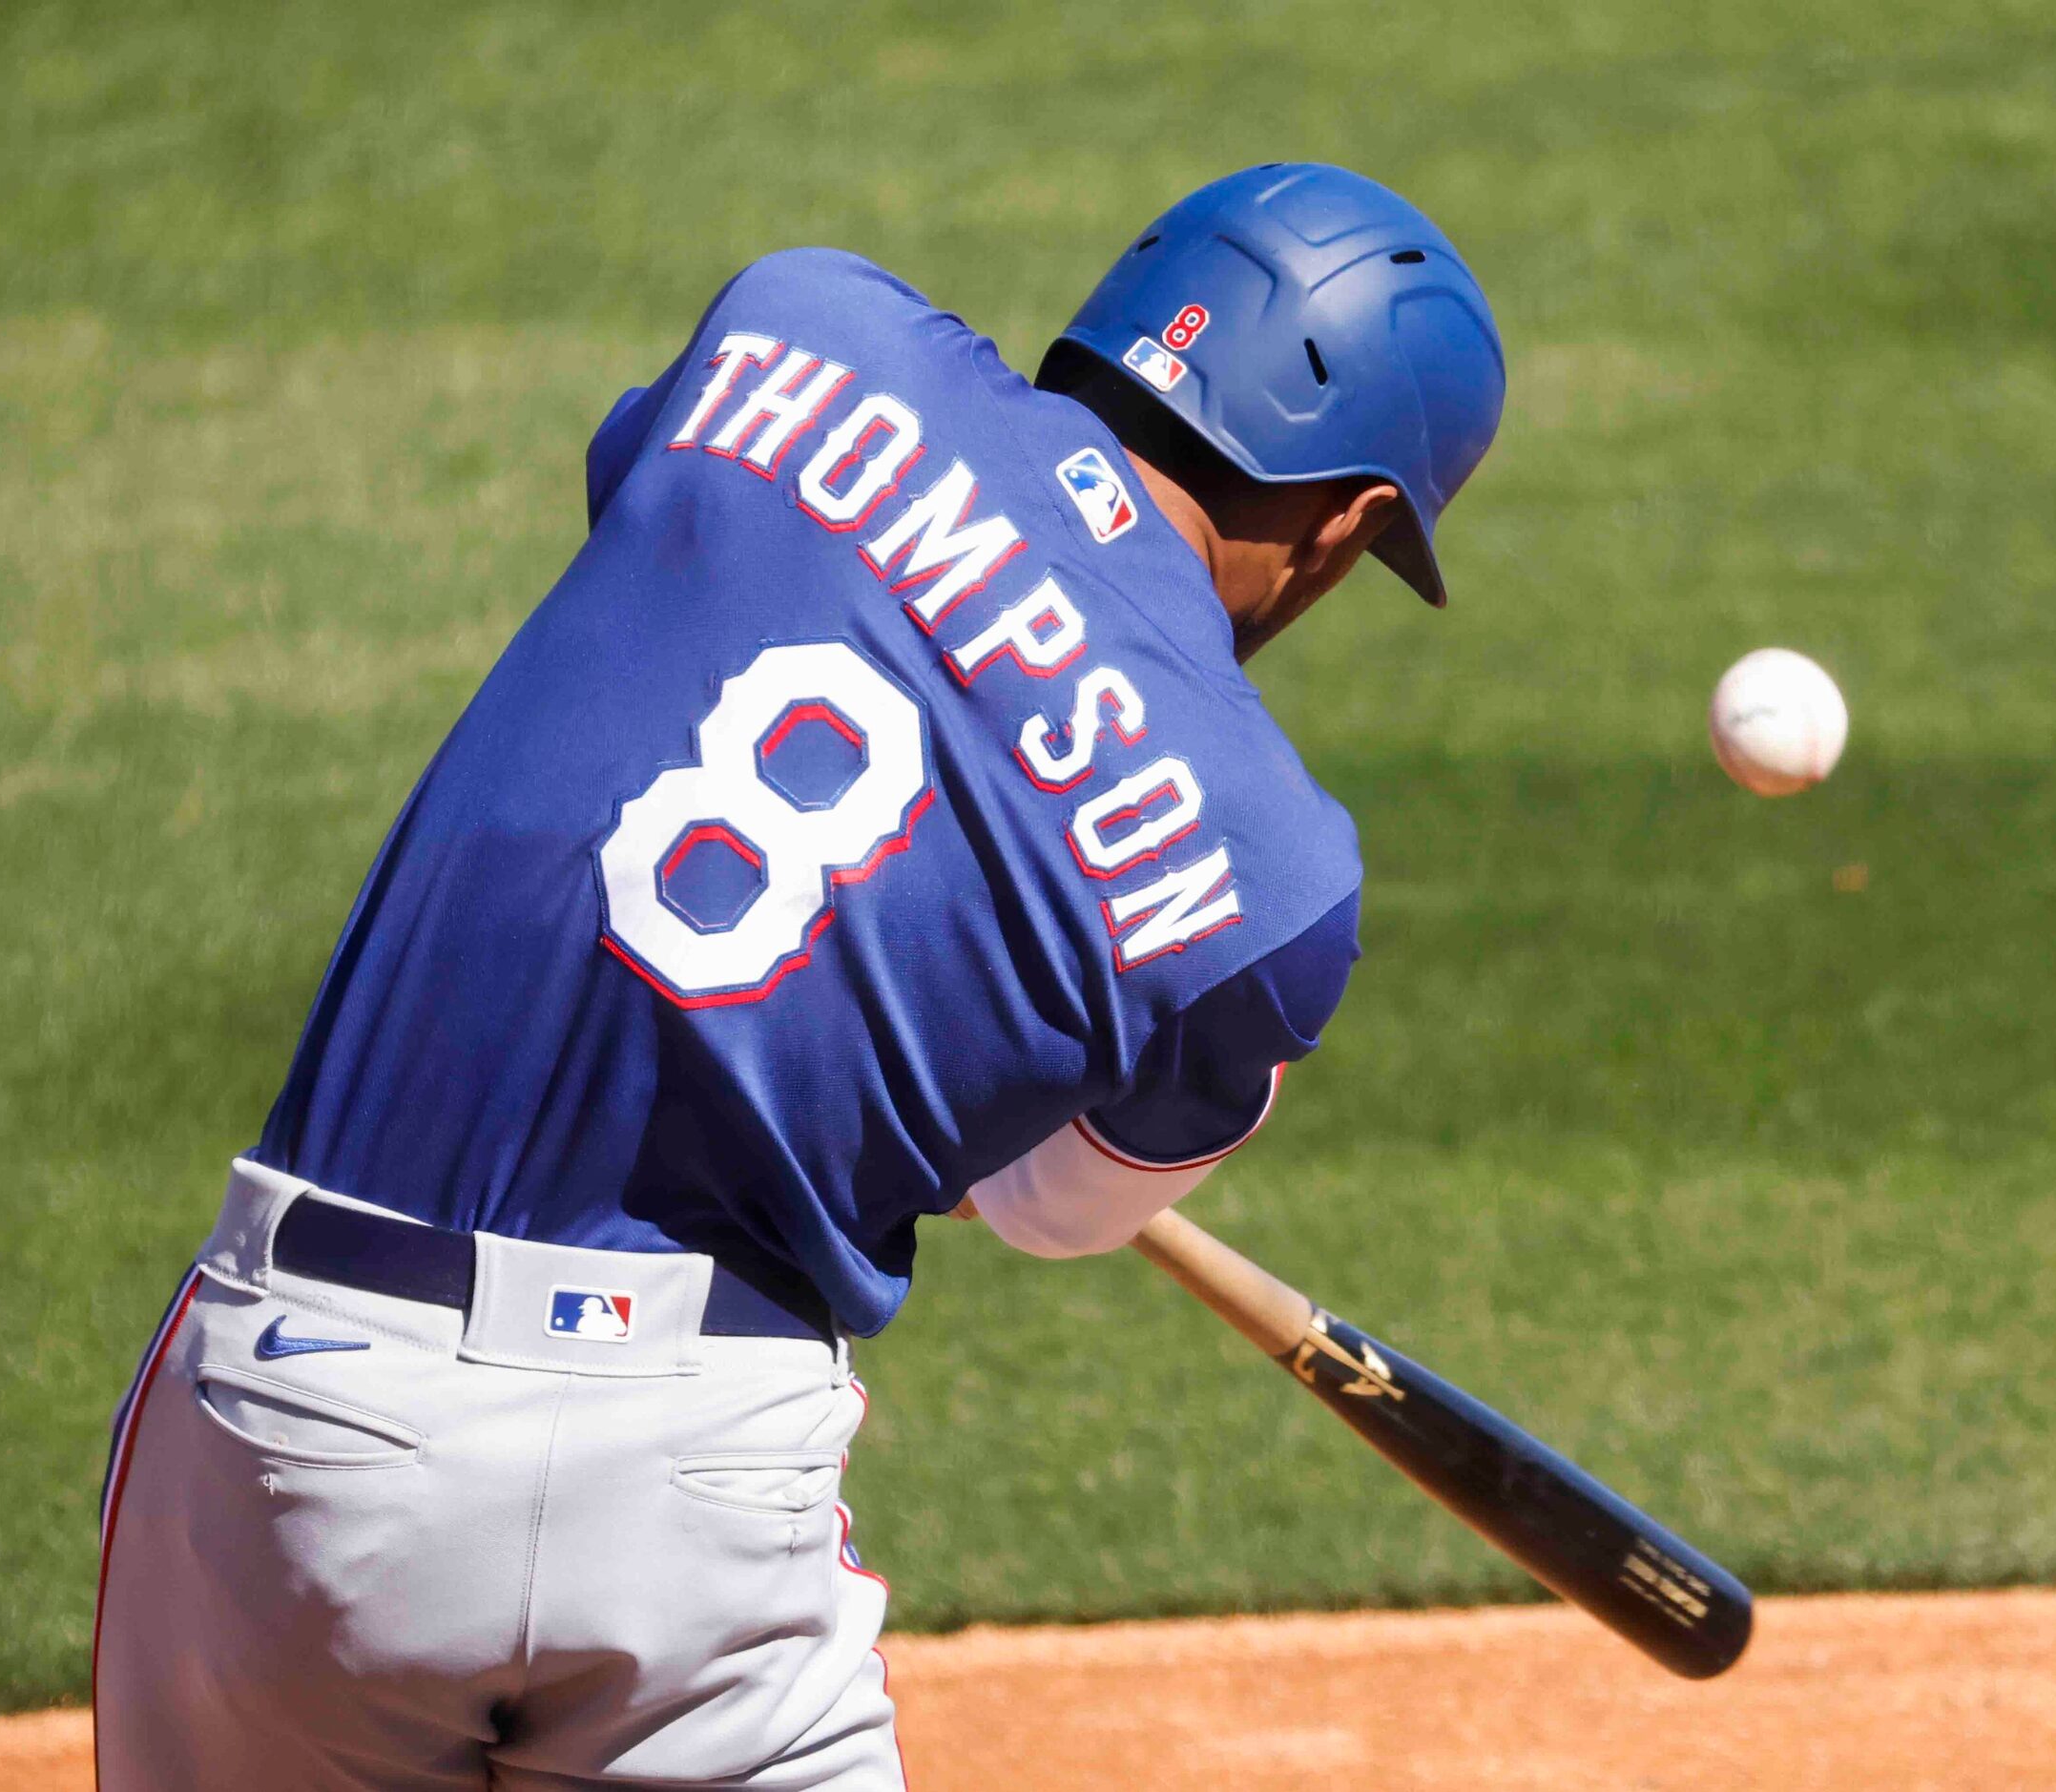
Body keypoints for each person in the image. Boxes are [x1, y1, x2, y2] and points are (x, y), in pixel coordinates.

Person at [93, 161, 1506, 1789]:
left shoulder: (806, 327)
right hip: (696, 1484)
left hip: (311, 1410)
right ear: (1348, 522)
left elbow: (673, 553)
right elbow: (1051, 1203)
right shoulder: (1274, 886)